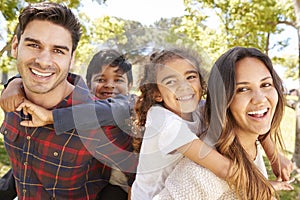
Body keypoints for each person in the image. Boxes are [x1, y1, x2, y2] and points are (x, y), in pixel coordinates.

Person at [0, 2, 137, 199]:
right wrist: (13, 83)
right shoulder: (12, 99)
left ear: (71, 59)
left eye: (58, 50)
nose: (43, 60)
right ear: (15, 46)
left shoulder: (99, 123)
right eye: (33, 45)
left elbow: (140, 181)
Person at [154, 47, 294, 200]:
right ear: (222, 99)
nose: (260, 98)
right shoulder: (201, 173)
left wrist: (273, 155)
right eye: (243, 89)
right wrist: (260, 185)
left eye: (266, 84)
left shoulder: (249, 145)